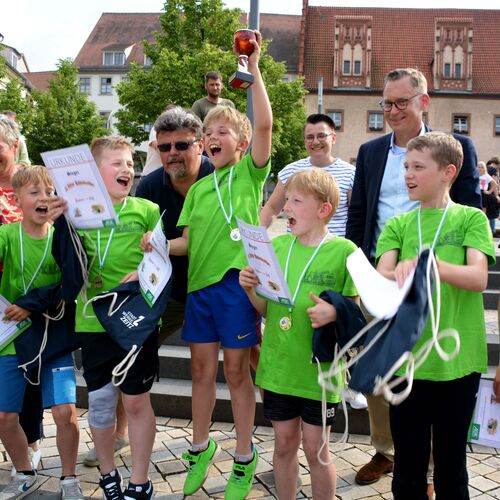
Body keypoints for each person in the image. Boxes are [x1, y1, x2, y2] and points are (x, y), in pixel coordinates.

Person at [346, 67, 482, 487]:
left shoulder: (457, 158)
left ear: (423, 102)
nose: (391, 111)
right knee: (393, 410)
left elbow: (474, 260)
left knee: (447, 452)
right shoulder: (372, 155)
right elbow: (361, 220)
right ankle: (386, 452)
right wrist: (361, 278)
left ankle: (427, 470)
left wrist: (434, 263)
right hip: (392, 308)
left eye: (400, 102)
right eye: (385, 103)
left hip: (449, 326)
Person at [167, 31, 271, 499]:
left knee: (236, 373)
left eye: (222, 132)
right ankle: (200, 446)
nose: (211, 138)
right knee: (200, 373)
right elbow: (186, 243)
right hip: (199, 291)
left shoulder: (249, 174)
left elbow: (266, 126)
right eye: (206, 134)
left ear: (242, 142)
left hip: (236, 287)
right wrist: (149, 246)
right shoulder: (199, 189)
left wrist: (255, 75)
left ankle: (244, 456)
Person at [376, 131, 495, 499]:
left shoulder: (470, 219)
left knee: (450, 463)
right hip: (407, 362)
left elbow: (477, 278)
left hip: (457, 362)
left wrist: (431, 266)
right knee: (408, 466)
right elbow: (382, 278)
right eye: (405, 167)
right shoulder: (398, 224)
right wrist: (388, 279)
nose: (408, 175)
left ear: (448, 172)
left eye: (418, 167)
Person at [49, 137, 161, 500]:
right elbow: (65, 268)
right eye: (116, 163)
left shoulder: (146, 209)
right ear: (93, 172)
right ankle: (108, 474)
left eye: (129, 162)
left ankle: (140, 481)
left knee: (136, 401)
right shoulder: (76, 213)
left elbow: (163, 266)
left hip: (134, 323)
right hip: (93, 321)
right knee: (99, 402)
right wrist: (61, 221)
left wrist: (147, 262)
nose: (126, 168)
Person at [240, 168, 358, 499]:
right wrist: (251, 291)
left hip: (320, 373)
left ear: (324, 209)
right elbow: (268, 310)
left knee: (317, 450)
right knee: (284, 445)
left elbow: (355, 311)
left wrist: (334, 311)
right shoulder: (276, 246)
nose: (286, 207)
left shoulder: (344, 251)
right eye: (286, 199)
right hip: (278, 369)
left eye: (296, 200)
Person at [0, 166, 82, 500]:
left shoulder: (62, 234)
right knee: (5, 416)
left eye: (49, 191)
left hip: (54, 335)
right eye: (34, 192)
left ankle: (69, 478)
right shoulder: (7, 236)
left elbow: (72, 284)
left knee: (65, 412)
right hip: (14, 335)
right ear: (16, 199)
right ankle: (24, 472)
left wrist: (33, 303)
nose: (43, 198)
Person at [136, 107, 213, 344]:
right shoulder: (148, 187)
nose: (172, 153)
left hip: (215, 287)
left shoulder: (219, 178)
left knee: (251, 354)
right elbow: (139, 245)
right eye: (164, 147)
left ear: (200, 145)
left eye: (181, 145)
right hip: (169, 290)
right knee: (137, 348)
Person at [0, 115, 44, 475]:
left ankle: (30, 444)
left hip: (25, 305)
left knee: (26, 378)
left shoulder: (30, 187)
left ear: (14, 147)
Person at [260, 113, 355, 238]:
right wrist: (254, 239)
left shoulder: (351, 173)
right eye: (310, 137)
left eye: (321, 136)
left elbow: (356, 217)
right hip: (297, 251)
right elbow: (272, 208)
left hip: (334, 252)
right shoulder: (290, 171)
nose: (315, 142)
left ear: (333, 138)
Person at [478, 161, 498, 234]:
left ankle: (485, 230)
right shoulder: (476, 175)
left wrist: (489, 191)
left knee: (484, 214)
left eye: (482, 167)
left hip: (483, 194)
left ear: (484, 168)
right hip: (477, 194)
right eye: (479, 167)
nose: (480, 168)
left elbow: (495, 184)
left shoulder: (486, 176)